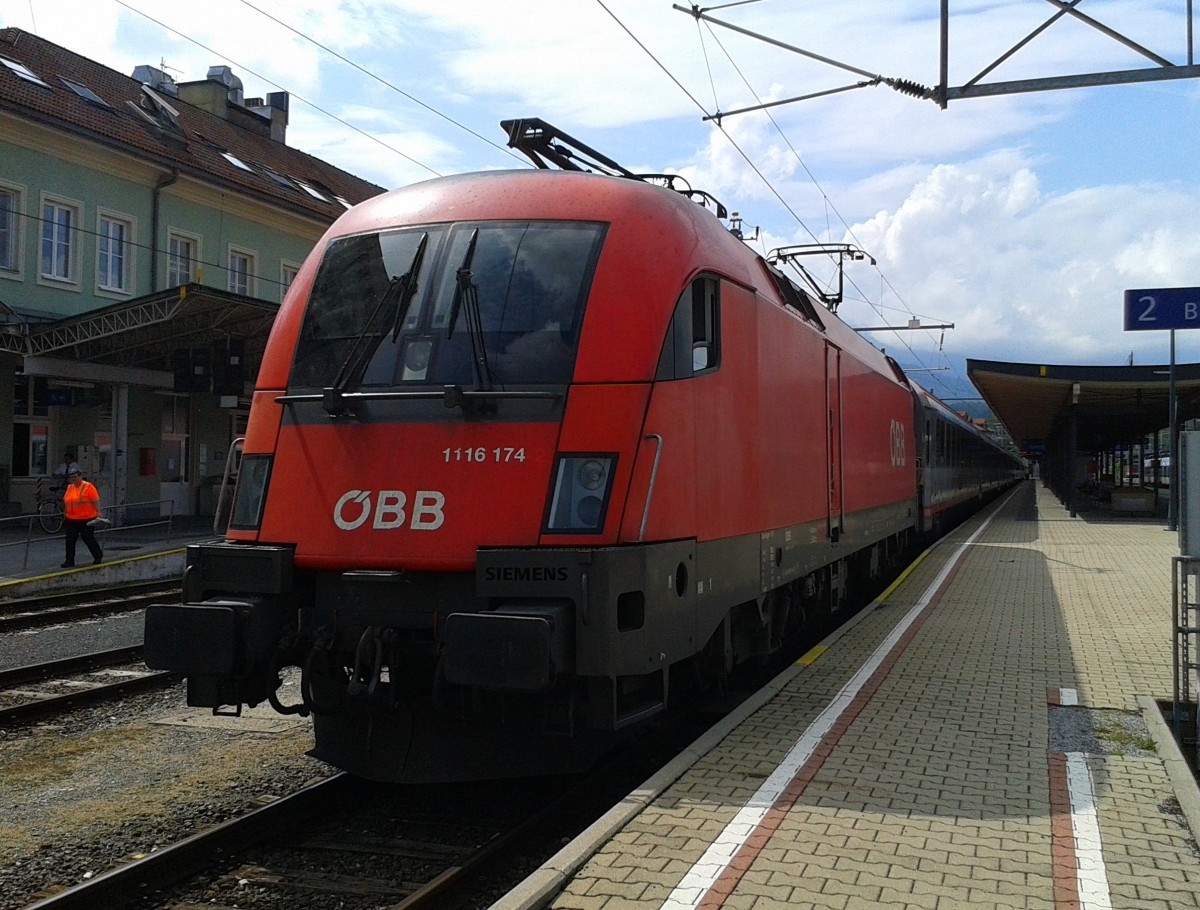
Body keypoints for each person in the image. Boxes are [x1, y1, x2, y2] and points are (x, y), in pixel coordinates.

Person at [61, 468, 103, 567]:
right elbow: (67, 502)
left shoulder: (88, 487)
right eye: (71, 477)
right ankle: (69, 561)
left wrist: (98, 512)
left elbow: (95, 500)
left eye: (75, 477)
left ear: (80, 476)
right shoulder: (70, 488)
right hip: (71, 518)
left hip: (86, 518)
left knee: (88, 538)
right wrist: (65, 513)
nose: (73, 479)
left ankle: (98, 556)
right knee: (70, 540)